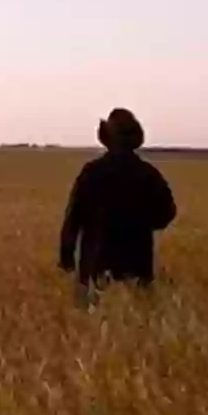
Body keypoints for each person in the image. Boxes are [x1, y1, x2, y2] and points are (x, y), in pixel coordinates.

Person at [59, 108, 177, 294]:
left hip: (94, 267)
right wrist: (140, 225)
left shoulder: (92, 172)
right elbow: (167, 213)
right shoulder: (148, 174)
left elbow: (73, 217)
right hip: (137, 266)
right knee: (138, 318)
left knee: (91, 318)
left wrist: (66, 257)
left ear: (106, 138)